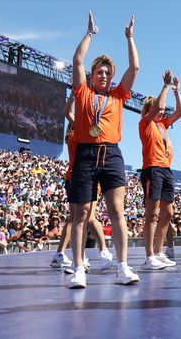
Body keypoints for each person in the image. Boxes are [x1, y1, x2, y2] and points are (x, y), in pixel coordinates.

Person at [67, 11, 140, 288]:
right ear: (92, 75)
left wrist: (130, 38)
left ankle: (122, 266)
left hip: (111, 153)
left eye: (108, 73)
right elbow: (77, 60)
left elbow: (134, 69)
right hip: (86, 154)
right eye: (100, 72)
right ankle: (78, 268)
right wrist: (90, 33)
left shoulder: (118, 95)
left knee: (117, 212)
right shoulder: (83, 92)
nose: (105, 76)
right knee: (81, 213)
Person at [51, 95, 113, 273]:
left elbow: (68, 114)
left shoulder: (80, 132)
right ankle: (81, 256)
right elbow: (67, 113)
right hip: (75, 176)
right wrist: (72, 99)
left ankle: (102, 252)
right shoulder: (76, 132)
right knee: (78, 218)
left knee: (86, 218)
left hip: (85, 176)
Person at [139, 70, 181, 270]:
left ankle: (159, 252)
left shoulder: (163, 125)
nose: (163, 111)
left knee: (168, 213)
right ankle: (149, 256)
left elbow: (180, 112)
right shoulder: (146, 123)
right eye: (158, 109)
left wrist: (177, 92)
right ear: (149, 110)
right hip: (152, 169)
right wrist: (165, 86)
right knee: (152, 214)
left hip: (166, 170)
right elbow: (159, 105)